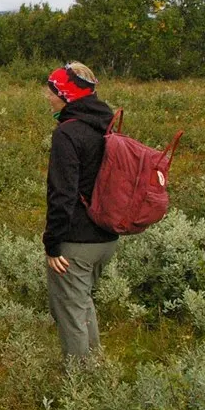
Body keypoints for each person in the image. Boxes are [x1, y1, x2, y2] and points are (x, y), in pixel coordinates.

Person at [43, 61, 119, 360]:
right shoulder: (107, 124)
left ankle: (79, 387)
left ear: (67, 95)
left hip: (76, 241)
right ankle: (96, 372)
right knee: (83, 303)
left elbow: (62, 195)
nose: (47, 96)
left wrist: (52, 244)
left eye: (52, 91)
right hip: (107, 236)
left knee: (71, 314)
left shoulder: (68, 134)